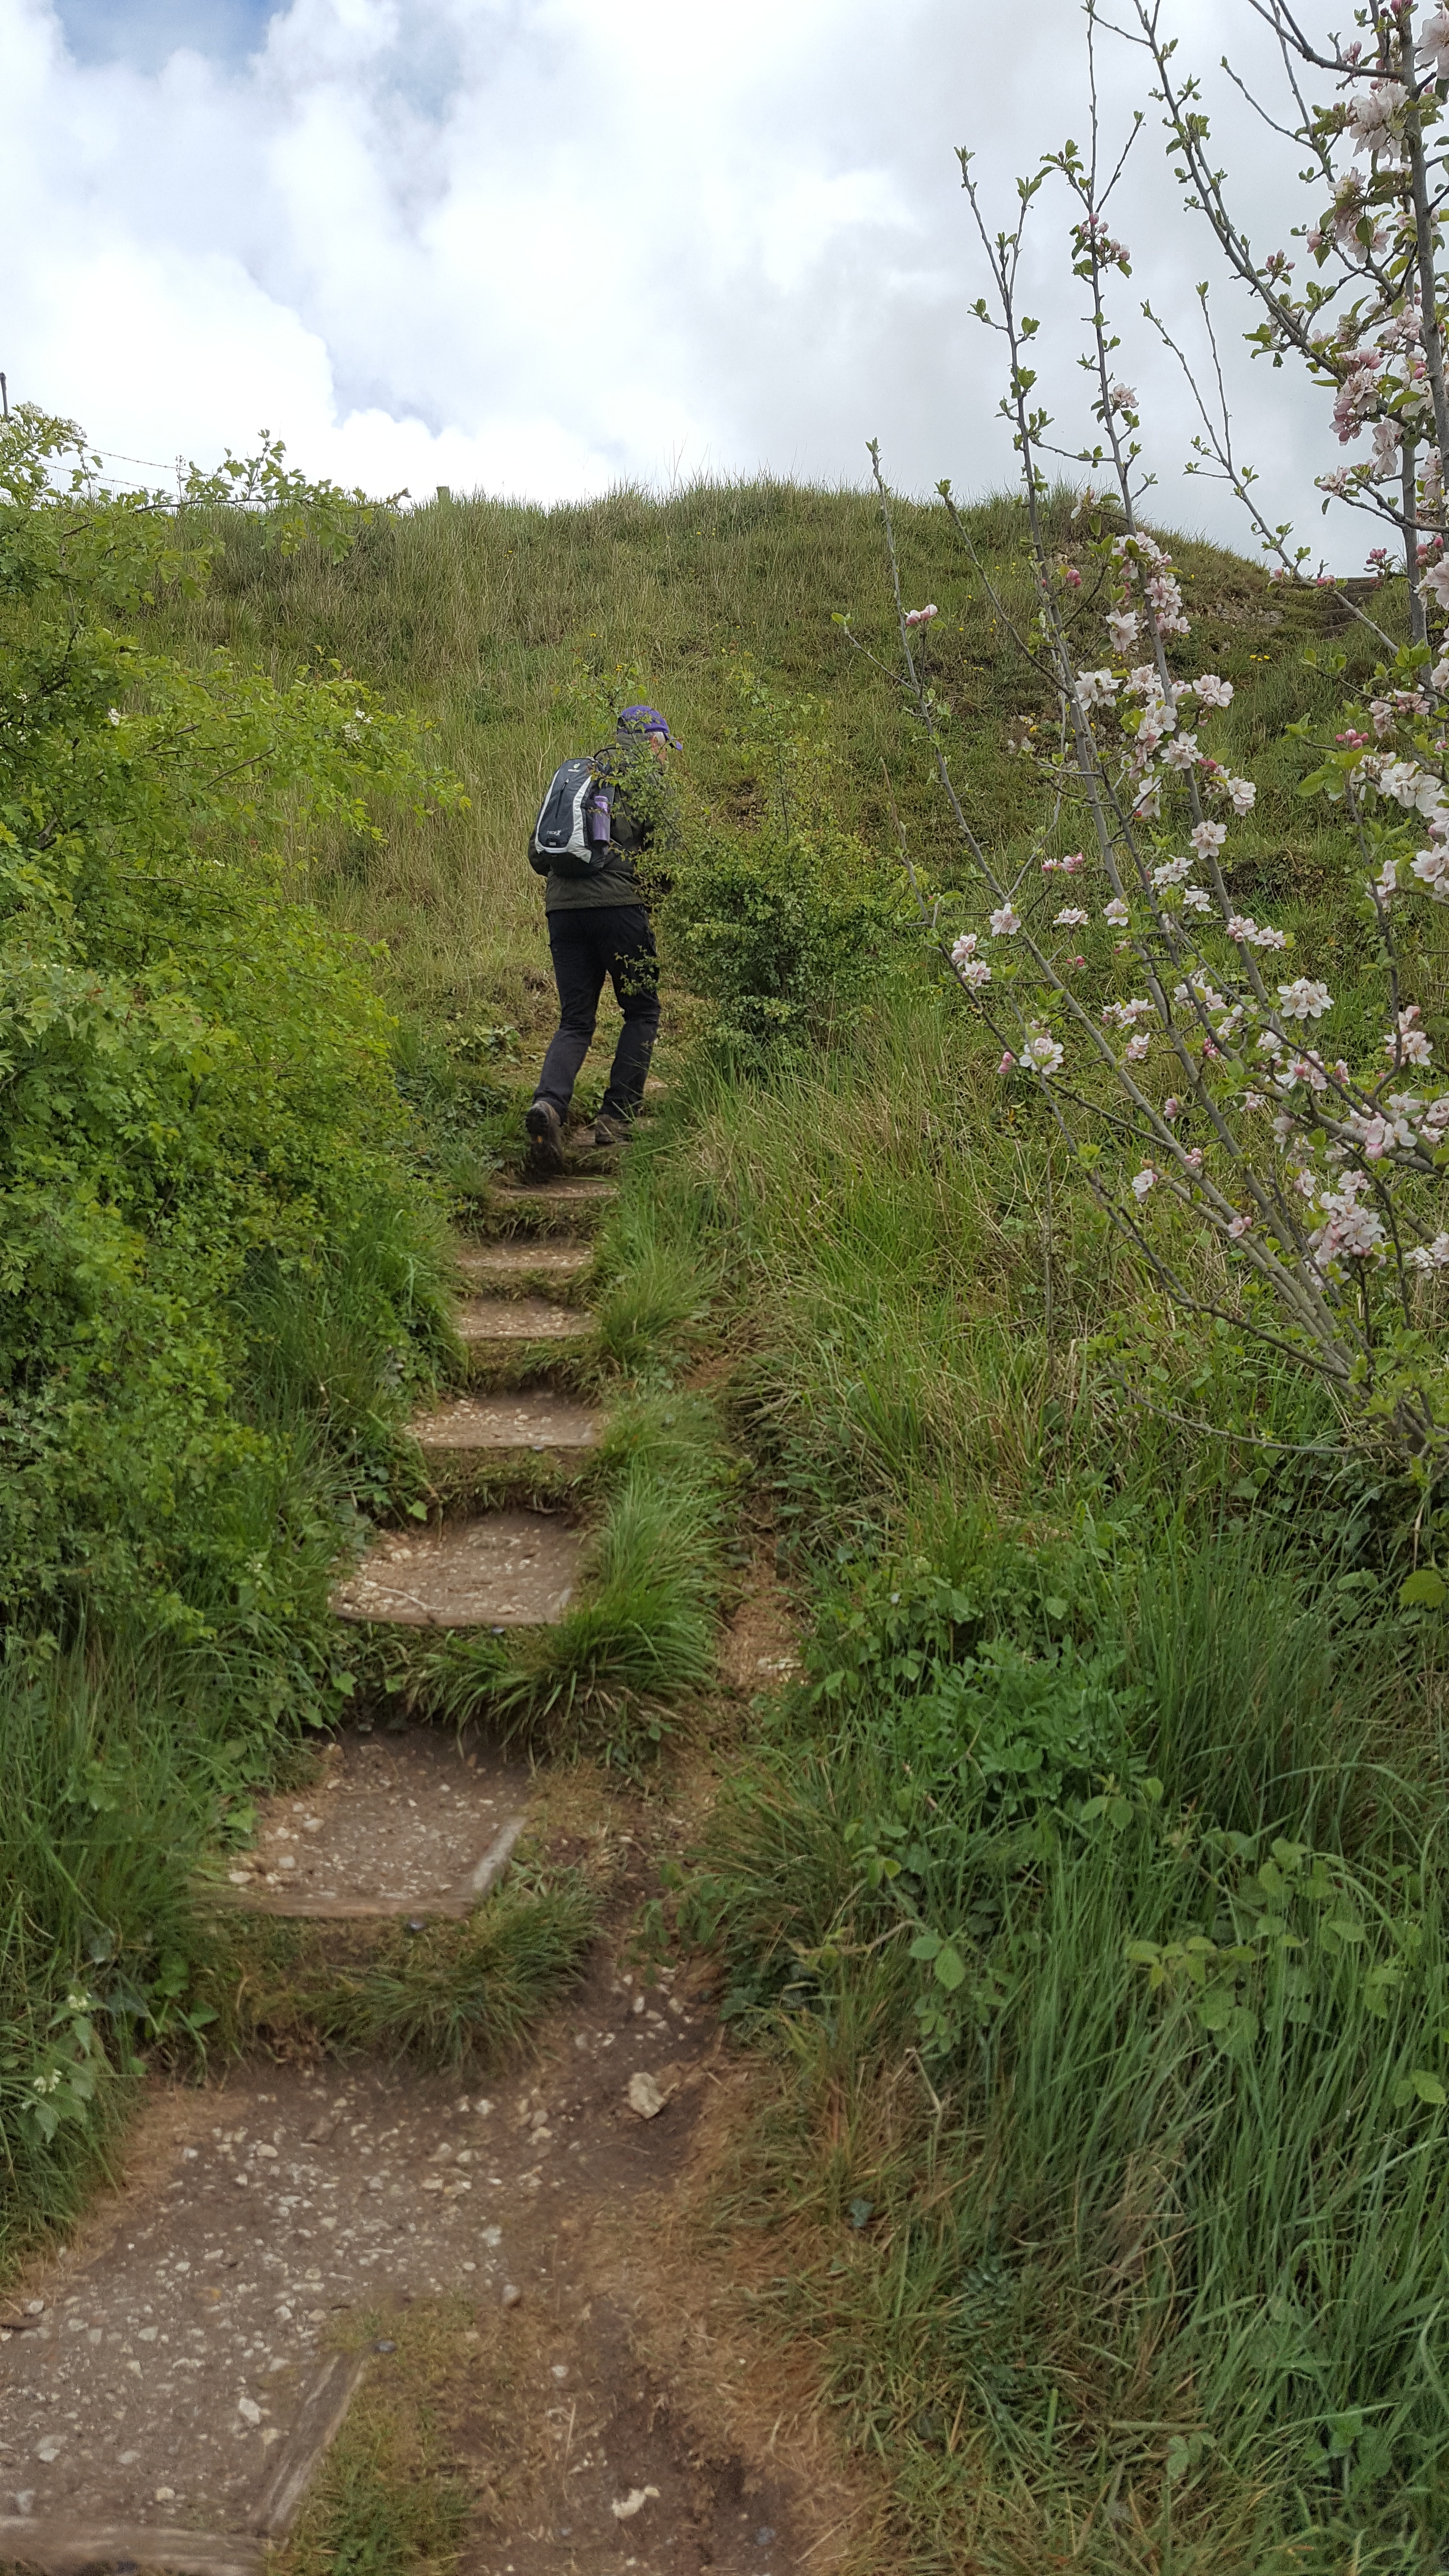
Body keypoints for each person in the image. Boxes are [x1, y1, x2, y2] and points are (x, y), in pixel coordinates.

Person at [524, 702, 677, 1170]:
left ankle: (549, 1106)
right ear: (654, 743)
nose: (668, 757)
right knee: (642, 1008)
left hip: (562, 911)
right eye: (667, 747)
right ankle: (615, 1118)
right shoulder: (651, 783)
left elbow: (537, 856)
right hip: (620, 910)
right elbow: (670, 862)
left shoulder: (578, 773)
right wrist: (646, 899)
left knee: (575, 1019)